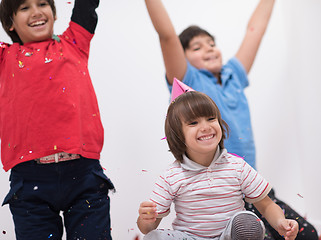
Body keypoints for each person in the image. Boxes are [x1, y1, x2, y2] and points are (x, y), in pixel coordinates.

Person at [144, 0, 319, 239]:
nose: (209, 49)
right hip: (209, 205)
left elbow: (255, 30)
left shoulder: (233, 75)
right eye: (197, 47)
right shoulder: (189, 80)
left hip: (246, 191)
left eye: (212, 44)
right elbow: (167, 36)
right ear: (182, 58)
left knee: (306, 235)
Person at [0, 0, 114, 239]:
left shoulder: (75, 42)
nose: (36, 12)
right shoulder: (4, 59)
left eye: (43, 3)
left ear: (53, 12)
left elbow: (86, 5)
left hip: (84, 177)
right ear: (9, 22)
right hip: (30, 181)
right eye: (24, 8)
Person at [137, 90, 299, 240]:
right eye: (193, 123)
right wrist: (147, 219)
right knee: (154, 237)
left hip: (228, 236)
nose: (206, 127)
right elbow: (147, 229)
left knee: (247, 221)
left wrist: (280, 222)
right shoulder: (171, 175)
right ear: (178, 135)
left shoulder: (237, 167)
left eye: (211, 119)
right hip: (190, 237)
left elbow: (266, 205)